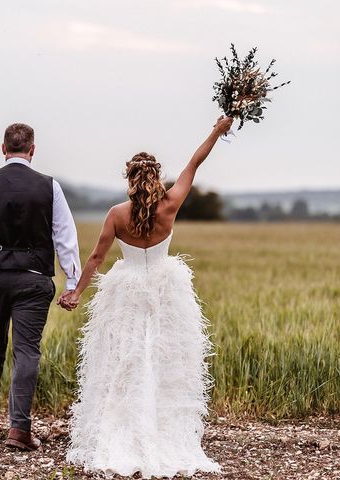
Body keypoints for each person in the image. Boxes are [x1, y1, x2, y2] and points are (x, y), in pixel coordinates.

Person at [59, 116, 233, 478]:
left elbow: (95, 258)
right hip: (167, 290)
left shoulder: (116, 215)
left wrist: (75, 292)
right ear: (156, 176)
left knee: (124, 361)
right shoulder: (170, 205)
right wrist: (217, 130)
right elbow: (194, 163)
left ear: (129, 179)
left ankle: (124, 433)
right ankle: (162, 434)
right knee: (164, 360)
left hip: (127, 292)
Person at [0, 123, 81, 450]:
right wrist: (72, 281)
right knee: (27, 350)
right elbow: (65, 237)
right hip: (34, 279)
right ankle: (19, 429)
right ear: (32, 149)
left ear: (3, 149)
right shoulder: (49, 187)